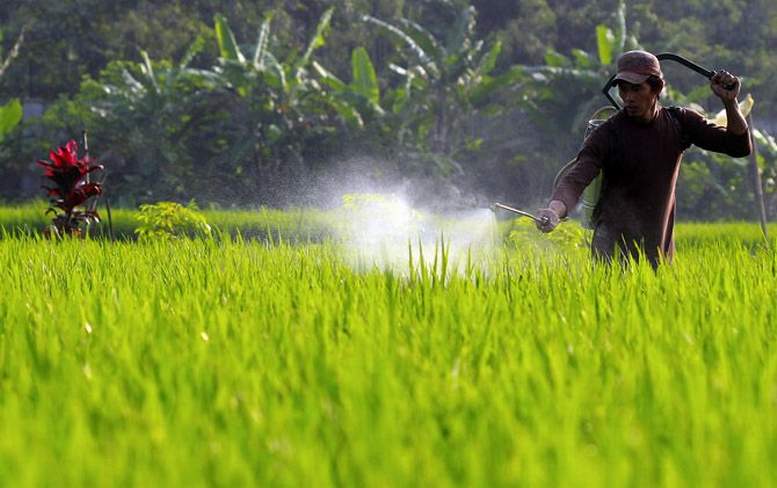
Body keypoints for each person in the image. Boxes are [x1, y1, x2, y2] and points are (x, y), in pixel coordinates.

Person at [536, 50, 751, 267]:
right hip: (610, 254)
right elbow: (576, 178)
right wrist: (554, 210)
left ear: (656, 88)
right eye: (623, 89)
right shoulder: (607, 134)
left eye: (637, 88)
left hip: (659, 255)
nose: (628, 97)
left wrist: (730, 104)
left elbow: (738, 147)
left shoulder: (680, 124)